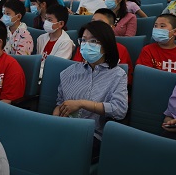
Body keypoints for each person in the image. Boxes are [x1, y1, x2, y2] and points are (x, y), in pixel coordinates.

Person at [54, 21, 128, 161]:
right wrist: (54, 121)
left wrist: (82, 103)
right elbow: (60, 103)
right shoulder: (68, 72)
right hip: (64, 128)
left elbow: (119, 110)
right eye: (83, 40)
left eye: (93, 41)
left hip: (91, 135)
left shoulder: (117, 75)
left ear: (106, 45)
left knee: (61, 154)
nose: (86, 45)